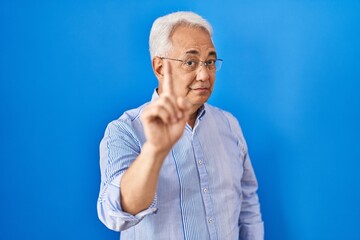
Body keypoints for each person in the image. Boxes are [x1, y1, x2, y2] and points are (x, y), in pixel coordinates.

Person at [97, 11, 264, 240]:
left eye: (210, 62)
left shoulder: (229, 125)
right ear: (160, 68)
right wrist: (155, 151)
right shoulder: (125, 131)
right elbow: (116, 214)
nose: (204, 74)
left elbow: (247, 205)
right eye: (190, 62)